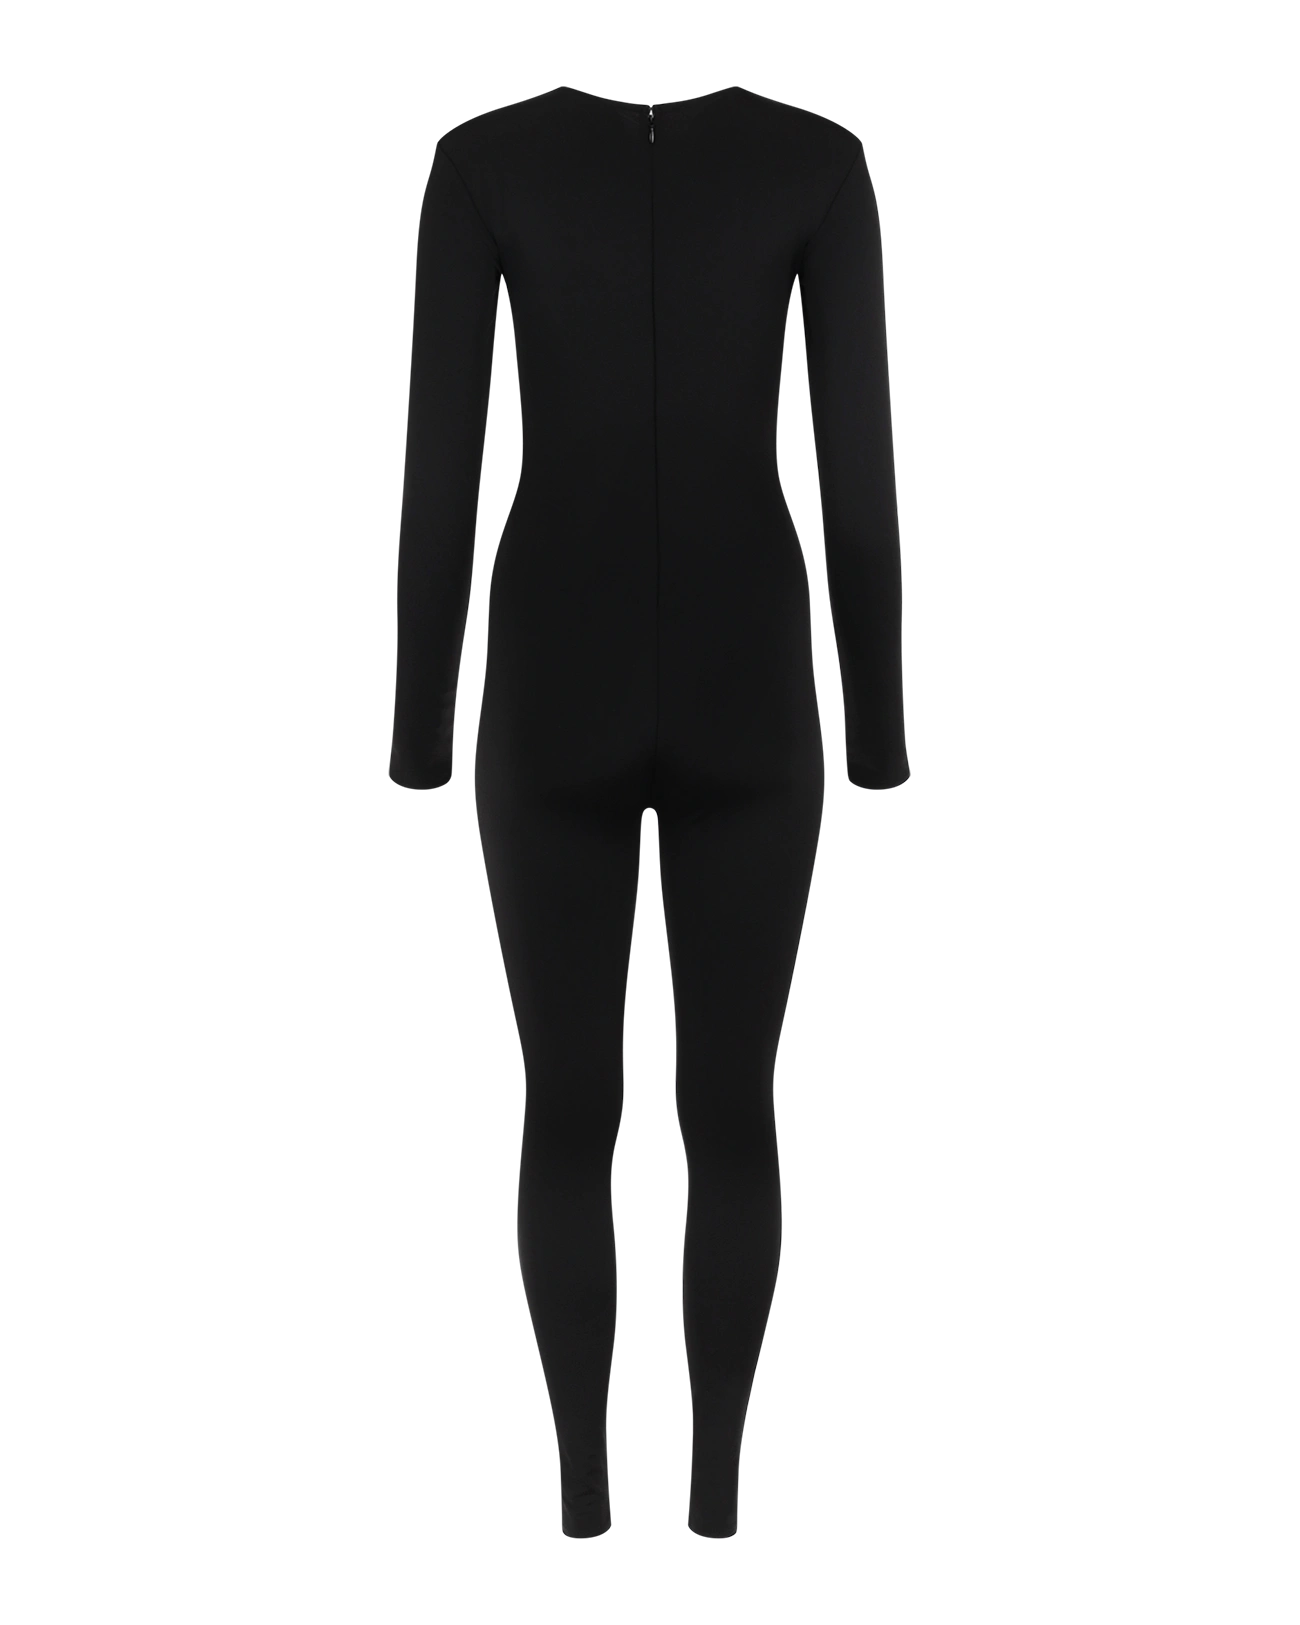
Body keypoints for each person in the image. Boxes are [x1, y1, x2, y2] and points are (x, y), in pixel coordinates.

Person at [391, 81, 909, 1541]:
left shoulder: (486, 162)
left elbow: (443, 468)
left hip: (552, 678)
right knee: (731, 1107)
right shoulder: (813, 165)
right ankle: (715, 1509)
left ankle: (584, 1507)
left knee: (563, 1107)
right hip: (751, 683)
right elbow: (858, 473)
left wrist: (419, 720)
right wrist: (877, 720)